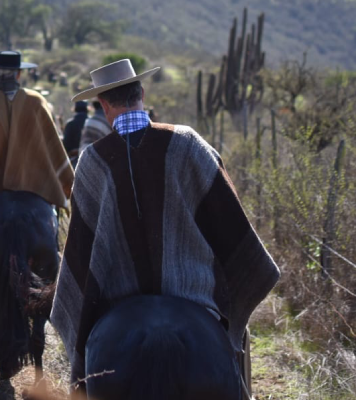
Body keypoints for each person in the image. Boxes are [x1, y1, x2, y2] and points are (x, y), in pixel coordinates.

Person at [49, 59, 280, 395]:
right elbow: (229, 220)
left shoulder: (93, 160)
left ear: (104, 105)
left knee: (85, 364)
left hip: (118, 302)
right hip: (194, 299)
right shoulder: (188, 142)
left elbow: (82, 245)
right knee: (235, 339)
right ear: (141, 93)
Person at [0, 50, 73, 220]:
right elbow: (53, 145)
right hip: (34, 188)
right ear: (19, 74)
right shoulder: (36, 102)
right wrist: (67, 182)